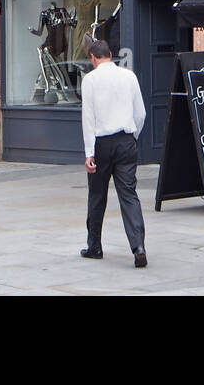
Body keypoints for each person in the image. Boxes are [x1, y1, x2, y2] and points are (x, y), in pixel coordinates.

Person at [79, 39, 148, 267]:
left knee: (97, 195)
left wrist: (89, 153)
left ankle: (95, 246)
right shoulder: (129, 76)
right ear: (110, 54)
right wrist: (133, 138)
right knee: (129, 194)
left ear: (93, 58)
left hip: (101, 143)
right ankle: (138, 246)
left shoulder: (90, 80)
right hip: (126, 140)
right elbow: (140, 113)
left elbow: (88, 118)